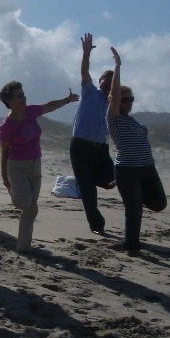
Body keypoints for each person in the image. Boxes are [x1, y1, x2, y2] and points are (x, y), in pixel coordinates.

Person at [0, 81, 79, 253]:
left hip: (35, 164)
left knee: (32, 208)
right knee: (25, 203)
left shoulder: (30, 112)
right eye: (19, 96)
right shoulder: (7, 125)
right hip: (16, 167)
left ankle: (23, 246)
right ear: (10, 101)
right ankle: (15, 195)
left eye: (23, 93)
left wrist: (67, 100)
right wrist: (5, 177)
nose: (23, 97)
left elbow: (49, 106)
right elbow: (4, 152)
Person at [106, 47, 166, 256]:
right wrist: (118, 66)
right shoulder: (114, 118)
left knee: (159, 203)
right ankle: (130, 245)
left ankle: (135, 196)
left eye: (131, 99)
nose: (128, 103)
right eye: (124, 100)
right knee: (134, 210)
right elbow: (113, 96)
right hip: (128, 170)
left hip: (147, 168)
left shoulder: (133, 120)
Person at [69, 32, 116, 235]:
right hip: (80, 146)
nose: (107, 83)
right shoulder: (89, 91)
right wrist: (86, 53)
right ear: (100, 80)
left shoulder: (112, 105)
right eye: (106, 79)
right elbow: (84, 71)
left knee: (112, 180)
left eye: (112, 81)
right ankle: (97, 225)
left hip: (100, 150)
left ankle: (86, 178)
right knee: (88, 191)